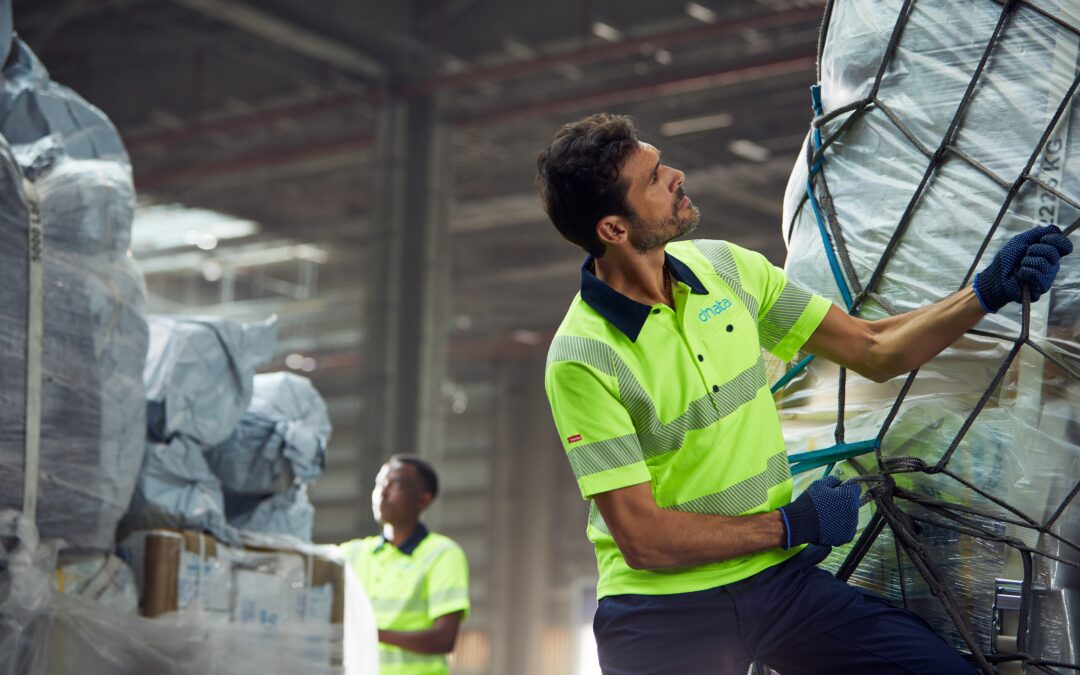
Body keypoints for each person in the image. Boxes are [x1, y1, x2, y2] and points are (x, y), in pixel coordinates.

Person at [536, 112, 1072, 675]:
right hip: (663, 613)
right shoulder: (583, 358)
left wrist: (986, 292)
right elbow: (644, 540)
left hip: (776, 582)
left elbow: (873, 348)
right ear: (614, 230)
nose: (676, 175)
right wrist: (791, 524)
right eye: (652, 178)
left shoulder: (726, 269)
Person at [340, 455, 469, 675]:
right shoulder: (351, 554)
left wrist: (370, 633)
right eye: (379, 484)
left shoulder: (442, 554)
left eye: (395, 485)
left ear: (423, 499)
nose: (382, 493)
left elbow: (443, 639)